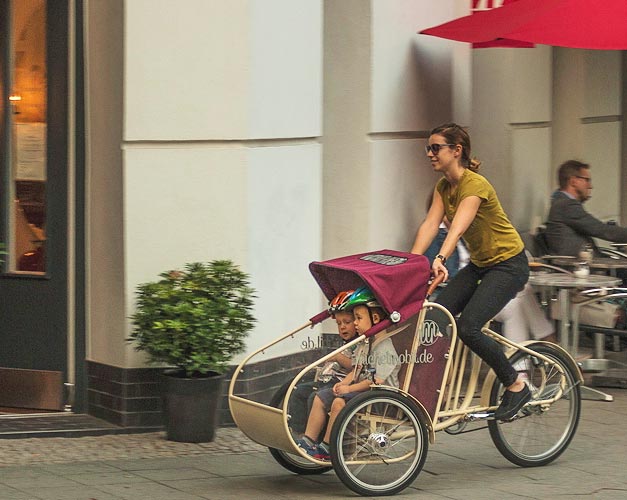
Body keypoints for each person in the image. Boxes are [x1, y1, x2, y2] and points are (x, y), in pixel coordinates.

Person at [411, 122, 531, 421]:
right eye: (428, 148)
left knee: (468, 327)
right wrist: (410, 263)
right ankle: (433, 388)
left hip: (508, 265)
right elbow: (430, 225)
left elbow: (458, 227)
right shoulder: (442, 187)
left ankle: (516, 385)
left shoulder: (474, 185)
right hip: (481, 265)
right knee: (435, 316)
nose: (429, 153)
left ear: (456, 150)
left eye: (435, 147)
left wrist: (439, 257)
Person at [296, 287, 400, 460]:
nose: (355, 323)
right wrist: (345, 383)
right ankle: (308, 440)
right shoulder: (364, 344)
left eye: (358, 318)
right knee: (321, 397)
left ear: (375, 319)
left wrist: (348, 389)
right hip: (363, 391)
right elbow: (357, 369)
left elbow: (375, 381)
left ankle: (328, 447)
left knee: (338, 403)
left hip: (381, 397)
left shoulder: (384, 348)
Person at [287, 291, 358, 434]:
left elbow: (355, 366)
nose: (342, 327)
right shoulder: (346, 342)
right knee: (299, 392)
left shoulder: (359, 344)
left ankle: (314, 436)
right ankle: (299, 432)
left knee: (316, 397)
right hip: (327, 380)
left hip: (341, 382)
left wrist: (338, 357)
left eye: (347, 322)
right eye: (339, 323)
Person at [545, 159, 627, 258]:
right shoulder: (566, 205)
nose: (590, 186)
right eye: (587, 180)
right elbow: (602, 230)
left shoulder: (562, 203)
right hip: (580, 268)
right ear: (573, 181)